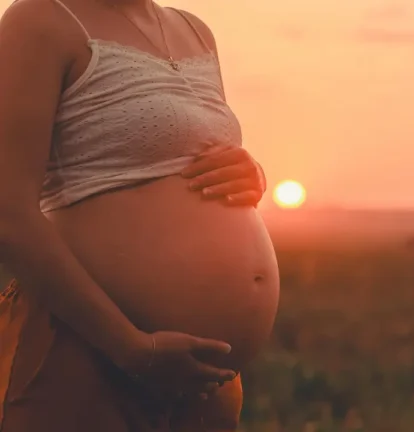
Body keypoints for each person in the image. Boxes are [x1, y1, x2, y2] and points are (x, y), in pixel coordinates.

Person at [0, 0, 280, 430]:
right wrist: (132, 348)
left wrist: (252, 174)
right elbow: (9, 212)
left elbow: (187, 147)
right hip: (88, 358)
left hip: (205, 382)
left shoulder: (195, 31)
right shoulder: (41, 19)